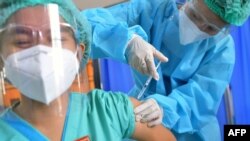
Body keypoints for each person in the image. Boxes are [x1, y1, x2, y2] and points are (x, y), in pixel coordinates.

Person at [0, 0, 176, 141]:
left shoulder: (109, 110)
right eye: (22, 41)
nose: (41, 53)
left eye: (56, 38)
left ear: (78, 53)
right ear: (2, 59)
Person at [83, 0, 250, 140]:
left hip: (193, 130)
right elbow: (83, 27)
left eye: (211, 28)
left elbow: (200, 98)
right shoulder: (152, 9)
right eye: (194, 15)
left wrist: (165, 108)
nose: (199, 27)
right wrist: (125, 40)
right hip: (142, 112)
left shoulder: (223, 49)